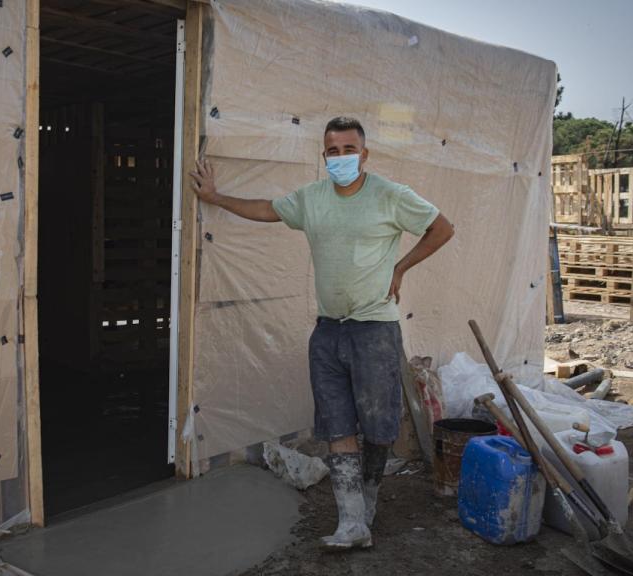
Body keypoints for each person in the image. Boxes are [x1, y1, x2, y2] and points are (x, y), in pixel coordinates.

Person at [188, 116, 454, 551]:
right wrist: (215, 197)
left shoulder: (389, 195)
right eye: (333, 151)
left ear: (364, 155)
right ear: (324, 156)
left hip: (374, 329)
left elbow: (442, 227)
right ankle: (351, 522)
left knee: (379, 427)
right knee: (335, 423)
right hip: (329, 331)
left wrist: (401, 268)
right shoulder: (311, 199)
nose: (342, 157)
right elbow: (267, 209)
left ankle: (366, 503)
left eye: (350, 150)